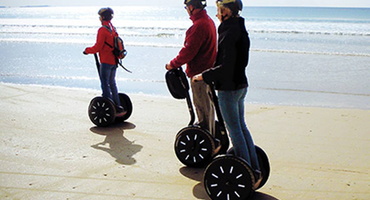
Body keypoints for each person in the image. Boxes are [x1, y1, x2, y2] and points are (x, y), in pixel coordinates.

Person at [192, 0, 262, 189]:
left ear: (226, 11)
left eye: (218, 11)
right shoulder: (240, 28)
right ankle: (255, 169)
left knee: (235, 130)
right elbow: (238, 62)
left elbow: (225, 65)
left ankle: (249, 173)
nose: (217, 15)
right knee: (241, 127)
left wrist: (203, 76)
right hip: (240, 84)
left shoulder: (228, 31)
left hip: (229, 88)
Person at [165, 0, 217, 134]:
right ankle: (210, 133)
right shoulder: (208, 21)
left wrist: (172, 64)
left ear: (192, 7)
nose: (186, 10)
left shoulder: (199, 26)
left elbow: (188, 52)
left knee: (202, 107)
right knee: (208, 106)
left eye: (186, 7)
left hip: (199, 73)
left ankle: (206, 137)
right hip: (208, 70)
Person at [83, 7, 125, 116]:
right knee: (112, 83)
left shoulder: (102, 30)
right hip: (114, 61)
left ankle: (110, 106)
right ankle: (118, 105)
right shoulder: (113, 29)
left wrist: (87, 50)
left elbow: (98, 46)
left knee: (105, 83)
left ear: (102, 17)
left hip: (106, 61)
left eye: (99, 17)